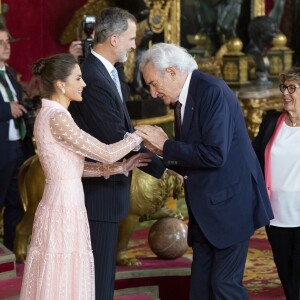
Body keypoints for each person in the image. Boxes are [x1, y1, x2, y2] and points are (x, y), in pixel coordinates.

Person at [135, 43, 274, 300]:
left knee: (224, 287)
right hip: (206, 213)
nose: (153, 93)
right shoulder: (182, 100)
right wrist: (150, 155)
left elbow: (214, 155)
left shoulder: (212, 92)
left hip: (230, 208)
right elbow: (189, 158)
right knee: (200, 290)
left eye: (154, 84)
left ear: (173, 72)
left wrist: (166, 145)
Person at [19, 53, 151, 299]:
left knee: (62, 273)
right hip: (63, 207)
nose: (84, 84)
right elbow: (106, 152)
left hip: (65, 201)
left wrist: (120, 168)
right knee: (63, 273)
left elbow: (73, 169)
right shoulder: (58, 117)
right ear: (61, 84)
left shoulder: (51, 114)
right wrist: (139, 135)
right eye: (78, 78)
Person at [68, 8, 166, 300]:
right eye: (131, 38)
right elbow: (115, 136)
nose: (134, 45)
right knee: (98, 282)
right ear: (113, 39)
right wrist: (167, 165)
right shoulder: (93, 77)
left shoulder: (106, 72)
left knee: (103, 277)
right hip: (99, 193)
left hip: (107, 191)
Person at [252, 67, 300, 300]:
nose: (286, 93)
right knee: (287, 276)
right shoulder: (272, 122)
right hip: (276, 217)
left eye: (293, 88)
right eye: (284, 87)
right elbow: (251, 158)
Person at [0, 25, 35, 251]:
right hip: (0, 150)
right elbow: (7, 108)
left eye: (7, 41)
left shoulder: (10, 74)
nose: (6, 46)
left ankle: (12, 250)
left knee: (17, 202)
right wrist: (6, 109)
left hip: (17, 148)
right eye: (0, 42)